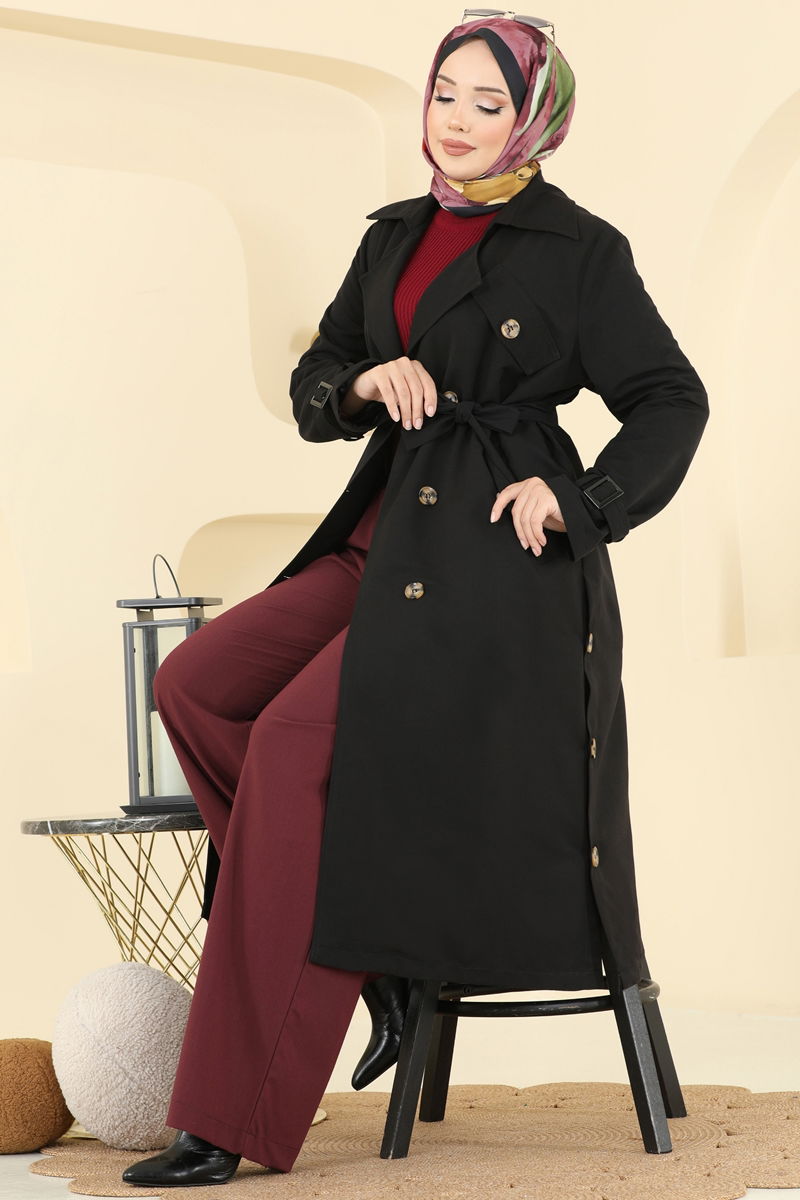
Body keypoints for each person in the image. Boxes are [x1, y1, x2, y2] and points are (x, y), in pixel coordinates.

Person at [122, 11, 709, 1188]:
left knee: (293, 749)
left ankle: (232, 1117)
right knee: (195, 686)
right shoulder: (394, 233)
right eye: (443, 94)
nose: (456, 120)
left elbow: (669, 399)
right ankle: (371, 953)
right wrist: (358, 383)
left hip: (485, 572)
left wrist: (579, 499)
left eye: (487, 103)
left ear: (533, 120)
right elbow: (317, 376)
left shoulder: (578, 249)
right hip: (379, 537)